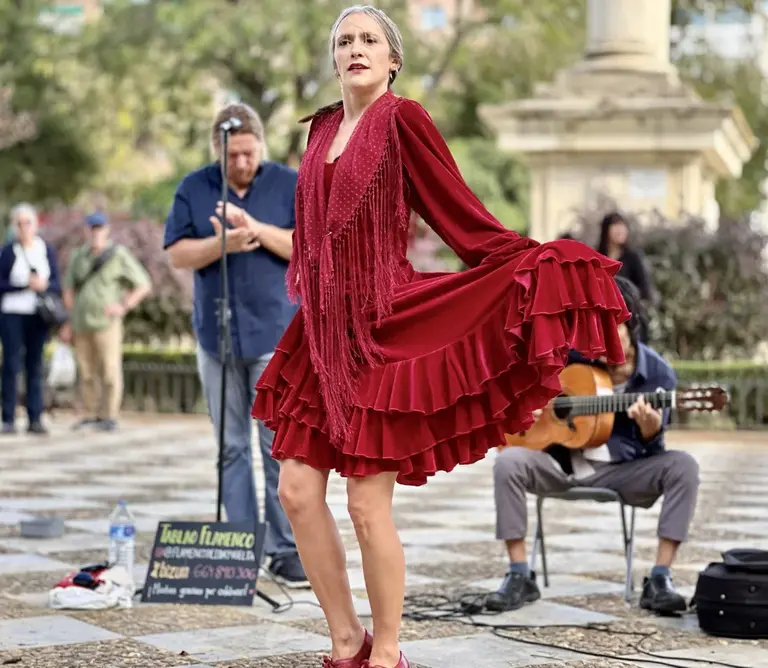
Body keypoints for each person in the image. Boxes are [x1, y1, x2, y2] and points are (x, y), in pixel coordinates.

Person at [246, 6, 629, 668]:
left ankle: (388, 652)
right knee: (295, 492)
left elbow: (462, 218)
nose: (355, 49)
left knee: (367, 505)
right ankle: (344, 640)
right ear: (333, 58)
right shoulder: (323, 129)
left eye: (369, 40)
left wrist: (536, 265)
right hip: (320, 337)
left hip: (386, 327)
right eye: (345, 41)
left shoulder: (404, 120)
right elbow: (314, 239)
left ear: (393, 59)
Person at [489, 276, 699, 616]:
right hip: (560, 465)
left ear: (633, 326)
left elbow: (656, 444)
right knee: (507, 461)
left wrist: (650, 429)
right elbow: (516, 380)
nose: (602, 342)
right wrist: (530, 404)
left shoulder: (658, 375)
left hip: (623, 472)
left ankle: (660, 578)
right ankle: (518, 574)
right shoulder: (571, 360)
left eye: (612, 328)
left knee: (684, 466)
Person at [163, 102, 307, 588]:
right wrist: (220, 245)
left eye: (249, 153)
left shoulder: (288, 183)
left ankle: (285, 548)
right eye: (233, 155)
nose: (242, 163)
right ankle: (240, 545)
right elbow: (177, 253)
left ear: (261, 146)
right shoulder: (194, 187)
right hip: (216, 335)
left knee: (276, 446)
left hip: (276, 336)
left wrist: (254, 230)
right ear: (217, 149)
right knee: (230, 448)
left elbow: (306, 247)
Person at [60, 213, 151, 432]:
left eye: (99, 228)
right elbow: (69, 288)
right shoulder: (79, 256)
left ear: (107, 230)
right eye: (92, 228)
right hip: (82, 323)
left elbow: (143, 284)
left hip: (106, 322)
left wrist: (123, 305)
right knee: (87, 371)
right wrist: (69, 319)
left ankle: (110, 414)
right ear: (87, 231)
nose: (96, 233)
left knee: (109, 370)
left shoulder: (118, 255)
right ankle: (91, 413)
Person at [0, 203, 61, 435]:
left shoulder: (45, 250)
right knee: (11, 364)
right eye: (19, 223)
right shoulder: (8, 251)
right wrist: (23, 284)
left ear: (35, 225)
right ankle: (8, 417)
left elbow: (56, 282)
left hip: (37, 313)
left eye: (28, 223)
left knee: (35, 366)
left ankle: (35, 416)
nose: (24, 228)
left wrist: (43, 285)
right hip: (12, 313)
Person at [596, 211, 657, 342]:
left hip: (630, 316)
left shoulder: (633, 257)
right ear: (606, 230)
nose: (620, 230)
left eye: (622, 226)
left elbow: (645, 289)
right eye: (615, 226)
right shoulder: (596, 258)